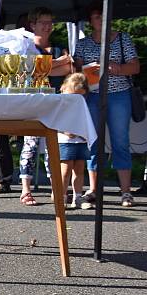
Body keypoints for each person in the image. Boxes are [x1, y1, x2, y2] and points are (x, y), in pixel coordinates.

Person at [74, 2, 140, 207]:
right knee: (93, 142)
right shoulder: (83, 43)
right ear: (90, 21)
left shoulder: (122, 39)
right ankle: (94, 189)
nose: (101, 19)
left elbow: (135, 67)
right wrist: (86, 71)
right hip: (92, 96)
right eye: (96, 16)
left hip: (119, 95)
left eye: (104, 16)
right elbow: (76, 71)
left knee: (120, 141)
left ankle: (126, 192)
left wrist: (117, 68)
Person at [18, 7, 74, 206]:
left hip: (55, 103)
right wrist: (55, 64)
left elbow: (68, 69)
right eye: (43, 22)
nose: (47, 26)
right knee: (30, 145)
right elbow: (28, 70)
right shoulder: (26, 47)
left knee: (55, 147)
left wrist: (46, 66)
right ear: (32, 24)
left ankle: (56, 189)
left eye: (50, 22)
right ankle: (25, 190)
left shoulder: (59, 48)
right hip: (33, 103)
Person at [57, 73, 92, 210]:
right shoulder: (59, 104)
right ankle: (62, 197)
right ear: (64, 89)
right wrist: (65, 131)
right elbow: (52, 122)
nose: (76, 99)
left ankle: (77, 197)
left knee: (79, 170)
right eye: (72, 95)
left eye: (80, 96)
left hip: (81, 142)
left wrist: (85, 134)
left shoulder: (84, 106)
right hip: (65, 142)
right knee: (65, 171)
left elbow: (87, 122)